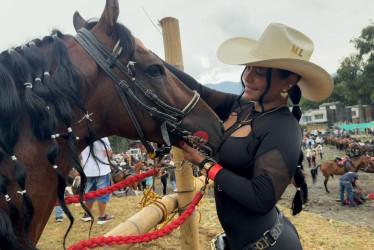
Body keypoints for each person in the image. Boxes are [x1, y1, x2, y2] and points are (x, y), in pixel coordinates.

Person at [161, 23, 333, 249]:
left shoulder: (284, 127)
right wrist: (143, 55)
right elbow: (196, 90)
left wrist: (204, 163)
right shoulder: (241, 105)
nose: (247, 77)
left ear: (288, 82)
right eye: (248, 68)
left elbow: (260, 198)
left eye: (259, 72)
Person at [81, 137, 115, 224]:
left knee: (89, 193)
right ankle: (102, 216)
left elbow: (80, 154)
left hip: (88, 170)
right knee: (102, 193)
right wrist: (111, 154)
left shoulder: (83, 135)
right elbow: (108, 153)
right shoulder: (103, 136)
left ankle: (87, 215)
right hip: (101, 169)